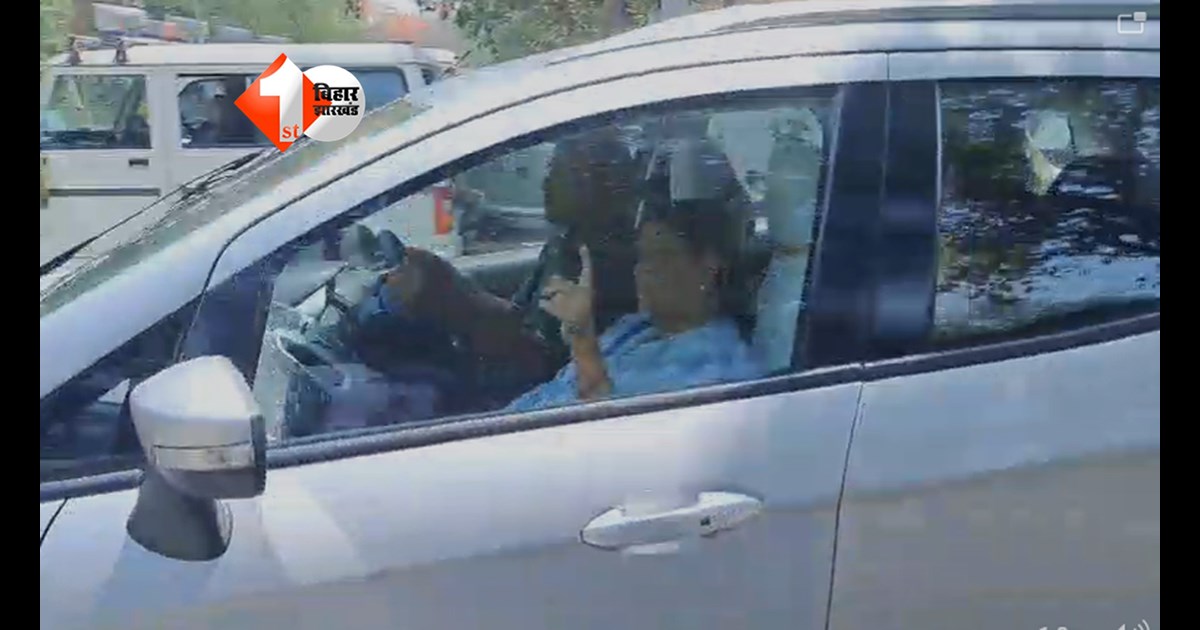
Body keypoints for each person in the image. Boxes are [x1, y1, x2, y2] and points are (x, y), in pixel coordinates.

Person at [372, 129, 643, 384]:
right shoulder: (567, 241)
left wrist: (455, 298)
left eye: (558, 171)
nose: (546, 182)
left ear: (596, 183)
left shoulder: (611, 264)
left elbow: (551, 362)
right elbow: (520, 316)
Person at [503, 195, 765, 413]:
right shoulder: (636, 327)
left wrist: (582, 338)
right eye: (642, 257)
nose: (643, 270)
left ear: (709, 266)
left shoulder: (718, 371)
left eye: (662, 256)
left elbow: (611, 432)